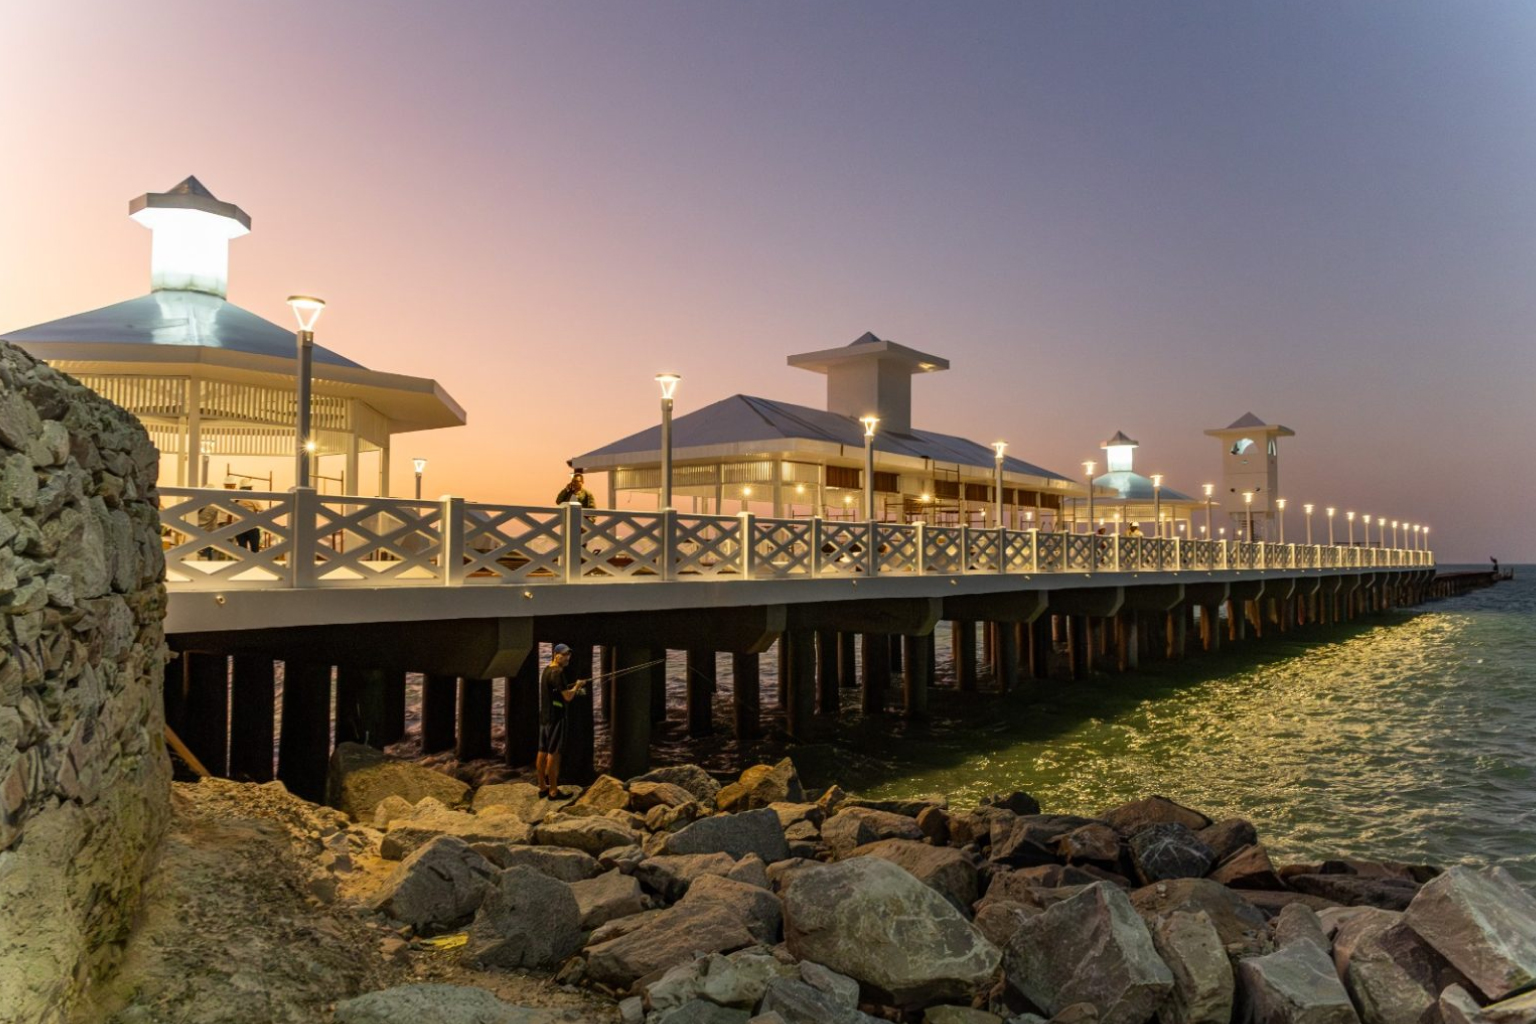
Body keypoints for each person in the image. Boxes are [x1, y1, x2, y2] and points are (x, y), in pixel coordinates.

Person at [536, 643, 586, 798]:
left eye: (568, 655)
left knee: (542, 751)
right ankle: (553, 791)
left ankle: (542, 787)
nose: (567, 658)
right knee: (553, 753)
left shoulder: (546, 670)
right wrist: (577, 686)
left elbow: (554, 691)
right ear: (556, 655)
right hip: (556, 718)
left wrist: (567, 688)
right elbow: (567, 697)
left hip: (545, 717)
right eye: (564, 655)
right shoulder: (558, 673)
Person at [233, 483, 262, 552]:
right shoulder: (253, 500)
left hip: (239, 526)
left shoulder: (236, 500)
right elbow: (261, 511)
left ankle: (244, 562)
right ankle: (255, 561)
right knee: (254, 548)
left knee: (242, 548)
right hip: (251, 526)